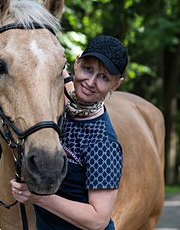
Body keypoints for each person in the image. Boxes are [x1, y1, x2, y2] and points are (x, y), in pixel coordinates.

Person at [10, 35, 128, 230]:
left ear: (116, 84)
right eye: (87, 69)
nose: (90, 82)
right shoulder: (63, 98)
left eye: (104, 77)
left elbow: (98, 220)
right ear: (77, 62)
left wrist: (39, 198)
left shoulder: (102, 142)